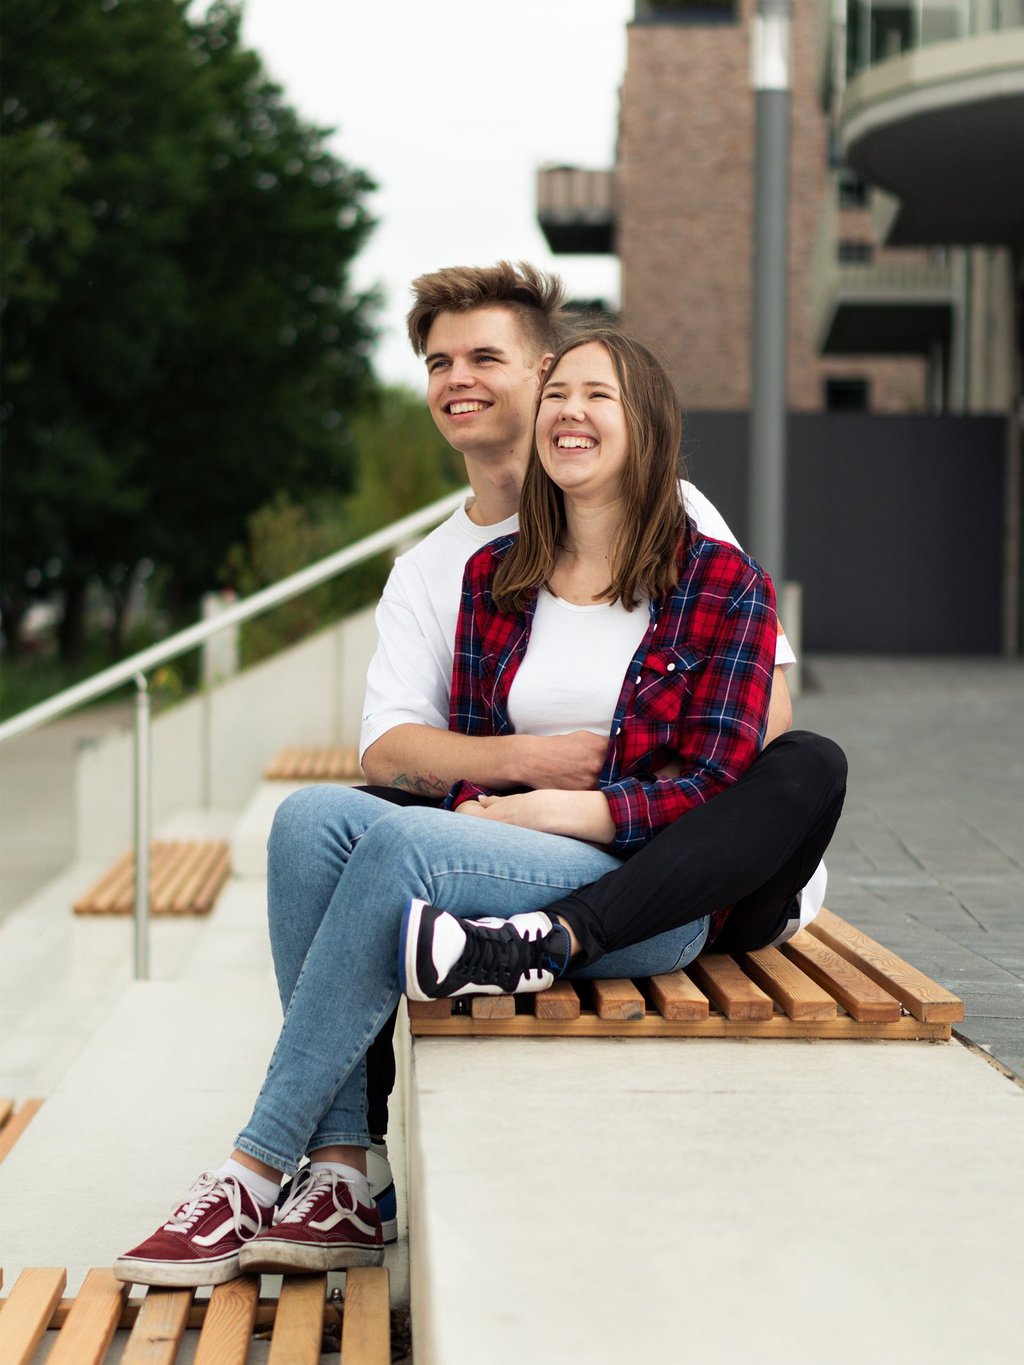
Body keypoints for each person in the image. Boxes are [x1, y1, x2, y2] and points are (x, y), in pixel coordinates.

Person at [112, 326, 778, 1289]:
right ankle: (340, 1173)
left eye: (600, 396)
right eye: (558, 396)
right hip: (504, 854)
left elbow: (720, 784)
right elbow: (466, 766)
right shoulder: (494, 579)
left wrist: (562, 809)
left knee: (404, 847)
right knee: (310, 820)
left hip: (639, 891)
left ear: (651, 428)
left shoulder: (723, 583)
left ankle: (254, 1166)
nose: (570, 413)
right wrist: (495, 802)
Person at [356, 262, 836, 1161]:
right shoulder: (453, 574)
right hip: (531, 848)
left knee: (808, 761)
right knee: (351, 821)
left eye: (485, 356)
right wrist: (530, 779)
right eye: (437, 362)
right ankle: (344, 1151)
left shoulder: (674, 517)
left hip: (696, 860)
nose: (457, 379)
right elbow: (392, 752)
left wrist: (621, 807)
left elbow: (758, 718)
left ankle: (559, 933)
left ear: (545, 380)